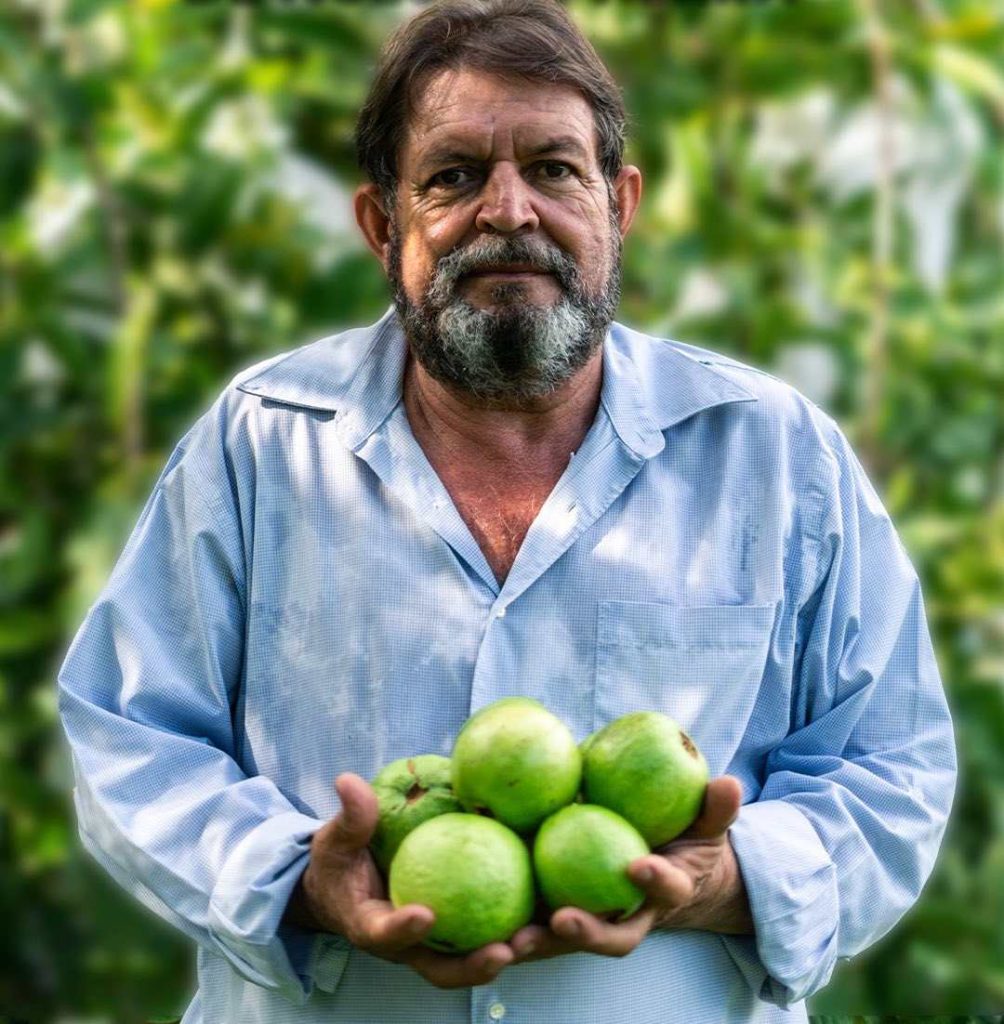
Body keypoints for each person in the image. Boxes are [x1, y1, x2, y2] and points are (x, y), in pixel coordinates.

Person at [56, 0, 957, 1021]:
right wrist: (296, 878)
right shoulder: (259, 444)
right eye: (451, 176)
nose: (508, 211)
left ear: (620, 205)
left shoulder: (774, 453)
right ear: (379, 224)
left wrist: (726, 883)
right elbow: (126, 733)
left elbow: (893, 767)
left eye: (552, 168)